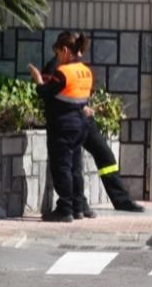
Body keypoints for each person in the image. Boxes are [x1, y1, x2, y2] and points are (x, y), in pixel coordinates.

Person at [40, 55, 145, 215]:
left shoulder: (75, 69)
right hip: (73, 121)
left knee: (106, 157)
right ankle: (79, 205)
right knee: (73, 165)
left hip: (85, 121)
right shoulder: (56, 68)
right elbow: (54, 96)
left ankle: (121, 200)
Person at [28, 31, 93, 222]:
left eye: (58, 53)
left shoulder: (63, 72)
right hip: (80, 125)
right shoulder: (86, 72)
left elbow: (46, 93)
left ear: (65, 50)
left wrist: (38, 79)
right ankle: (78, 208)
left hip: (63, 125)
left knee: (62, 167)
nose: (57, 58)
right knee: (75, 167)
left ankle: (65, 209)